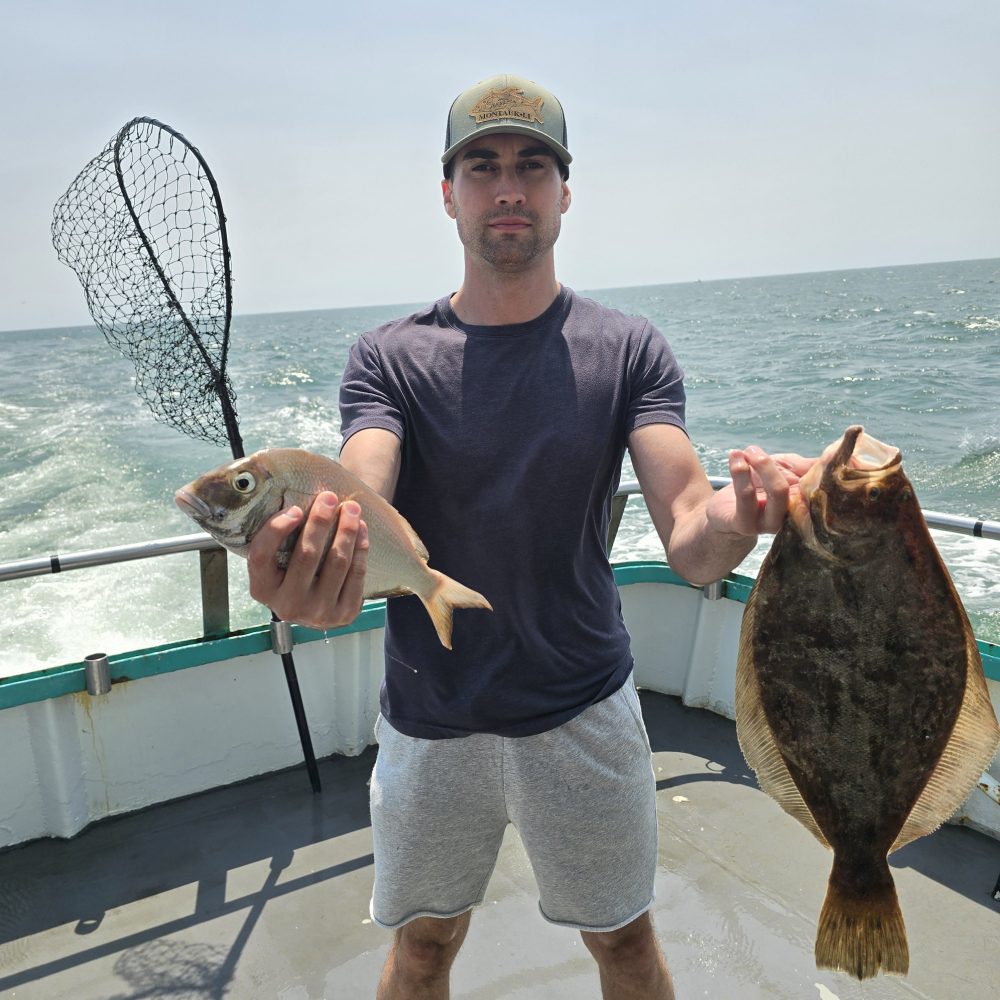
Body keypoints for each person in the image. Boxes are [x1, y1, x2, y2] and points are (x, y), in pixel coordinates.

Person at [248, 74, 809, 1000]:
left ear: (563, 191)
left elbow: (687, 533)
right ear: (448, 194)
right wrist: (322, 550)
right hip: (431, 720)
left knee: (625, 946)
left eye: (532, 165)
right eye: (483, 166)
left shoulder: (628, 348)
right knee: (423, 949)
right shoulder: (388, 357)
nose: (508, 187)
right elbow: (365, 480)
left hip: (583, 707)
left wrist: (742, 512)